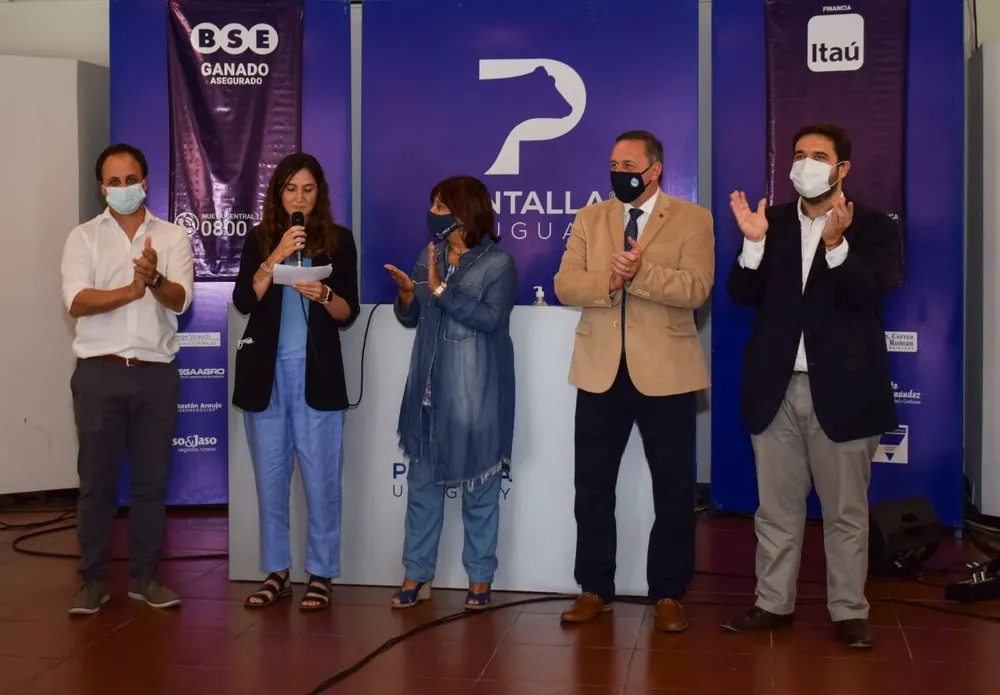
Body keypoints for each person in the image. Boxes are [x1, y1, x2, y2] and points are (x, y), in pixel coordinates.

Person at [722, 124, 901, 649]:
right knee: (775, 510)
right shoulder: (771, 222)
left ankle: (849, 612)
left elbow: (869, 293)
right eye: (799, 154)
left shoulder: (872, 227)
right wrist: (752, 246)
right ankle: (771, 603)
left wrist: (836, 244)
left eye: (819, 156)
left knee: (846, 514)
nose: (806, 164)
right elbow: (740, 293)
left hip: (843, 392)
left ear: (842, 168)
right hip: (775, 390)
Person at [553, 130, 714, 632]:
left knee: (672, 490)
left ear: (655, 169)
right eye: (613, 161)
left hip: (666, 374)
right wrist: (610, 279)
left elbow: (697, 288)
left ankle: (668, 593)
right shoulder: (590, 217)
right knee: (593, 488)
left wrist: (641, 274)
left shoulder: (693, 219)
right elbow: (564, 284)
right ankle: (594, 588)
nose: (618, 169)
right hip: (601, 372)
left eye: (628, 162)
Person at [60, 143, 194, 615]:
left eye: (131, 179)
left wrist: (154, 281)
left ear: (146, 181)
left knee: (150, 484)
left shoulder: (173, 237)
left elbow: (180, 301)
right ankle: (92, 581)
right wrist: (130, 290)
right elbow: (76, 301)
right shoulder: (83, 238)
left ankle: (145, 577)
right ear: (102, 187)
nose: (123, 189)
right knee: (96, 485)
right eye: (114, 182)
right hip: (99, 373)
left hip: (156, 376)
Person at [232, 152, 360, 611]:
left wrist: (324, 293)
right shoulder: (260, 239)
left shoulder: (339, 241)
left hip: (317, 374)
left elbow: (349, 313)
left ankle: (321, 573)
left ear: (318, 194)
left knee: (322, 478)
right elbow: (245, 300)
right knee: (270, 478)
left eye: (307, 189)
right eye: (290, 190)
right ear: (278, 195)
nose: (299, 198)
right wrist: (277, 256)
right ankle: (277, 572)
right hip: (265, 376)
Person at [384, 175, 517, 610]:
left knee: (480, 490)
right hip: (426, 393)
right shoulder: (429, 257)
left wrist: (441, 290)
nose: (432, 214)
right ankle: (416, 574)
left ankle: (480, 578)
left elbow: (490, 319)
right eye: (432, 205)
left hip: (475, 394)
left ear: (463, 213)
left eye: (440, 206)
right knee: (422, 491)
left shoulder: (498, 264)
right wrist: (408, 297)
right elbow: (412, 319)